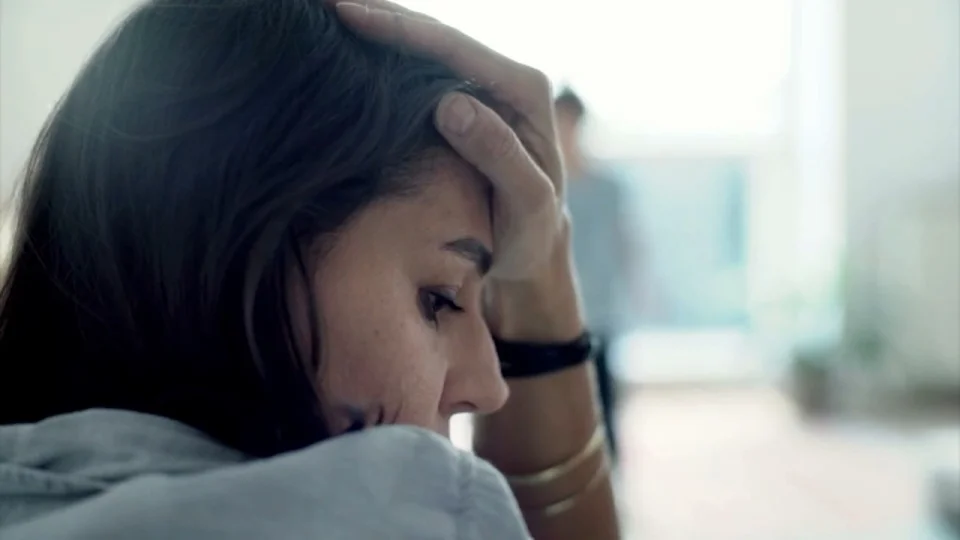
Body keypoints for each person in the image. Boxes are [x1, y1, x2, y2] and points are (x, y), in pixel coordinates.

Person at [0, 1, 619, 539]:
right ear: (243, 246)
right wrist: (542, 279)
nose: (489, 387)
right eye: (440, 298)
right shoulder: (405, 509)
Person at [555, 87, 633, 461]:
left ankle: (608, 474)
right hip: (555, 309)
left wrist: (633, 289)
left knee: (603, 398)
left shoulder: (607, 187)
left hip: (599, 307)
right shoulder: (546, 187)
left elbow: (623, 241)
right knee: (559, 401)